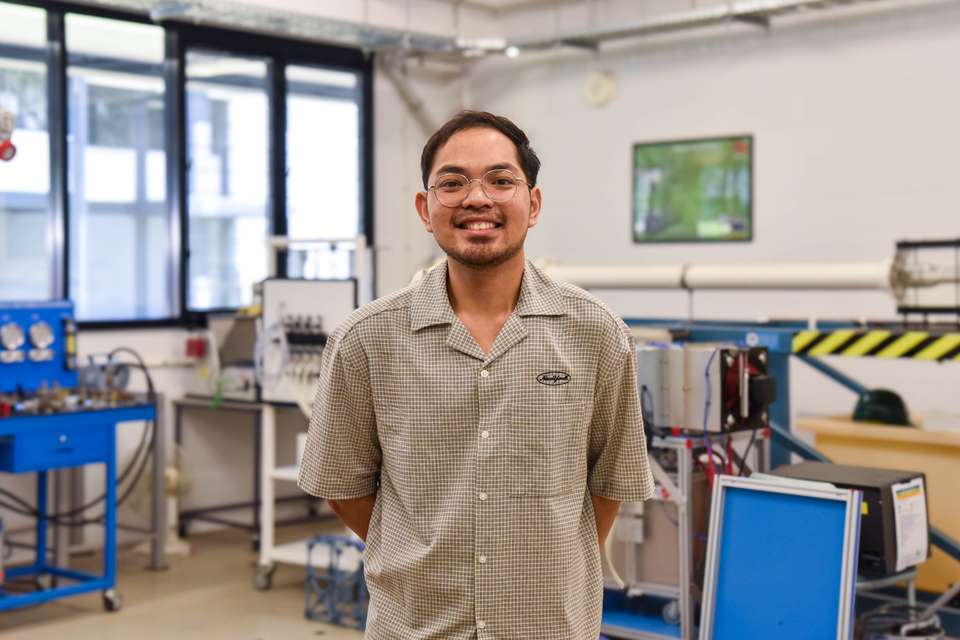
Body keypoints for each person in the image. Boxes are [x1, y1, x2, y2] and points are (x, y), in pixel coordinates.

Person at [298, 110, 653, 639]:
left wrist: (545, 564)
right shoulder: (366, 340)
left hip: (548, 626)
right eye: (453, 183)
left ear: (532, 203)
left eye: (500, 180)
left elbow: (609, 483)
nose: (477, 199)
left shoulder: (596, 333)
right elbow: (344, 485)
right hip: (416, 627)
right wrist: (418, 552)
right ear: (426, 208)